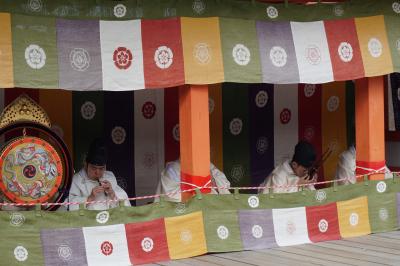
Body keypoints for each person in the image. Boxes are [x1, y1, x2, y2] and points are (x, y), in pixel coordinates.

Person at [68, 138, 131, 211]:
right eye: (93, 168)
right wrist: (89, 198)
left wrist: (112, 194)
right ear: (86, 165)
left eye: (101, 169)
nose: (97, 172)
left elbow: (125, 206)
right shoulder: (77, 180)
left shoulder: (109, 177)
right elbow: (70, 206)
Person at [156, 159, 231, 202]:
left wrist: (211, 178)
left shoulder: (208, 165)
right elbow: (172, 196)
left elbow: (224, 185)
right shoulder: (173, 169)